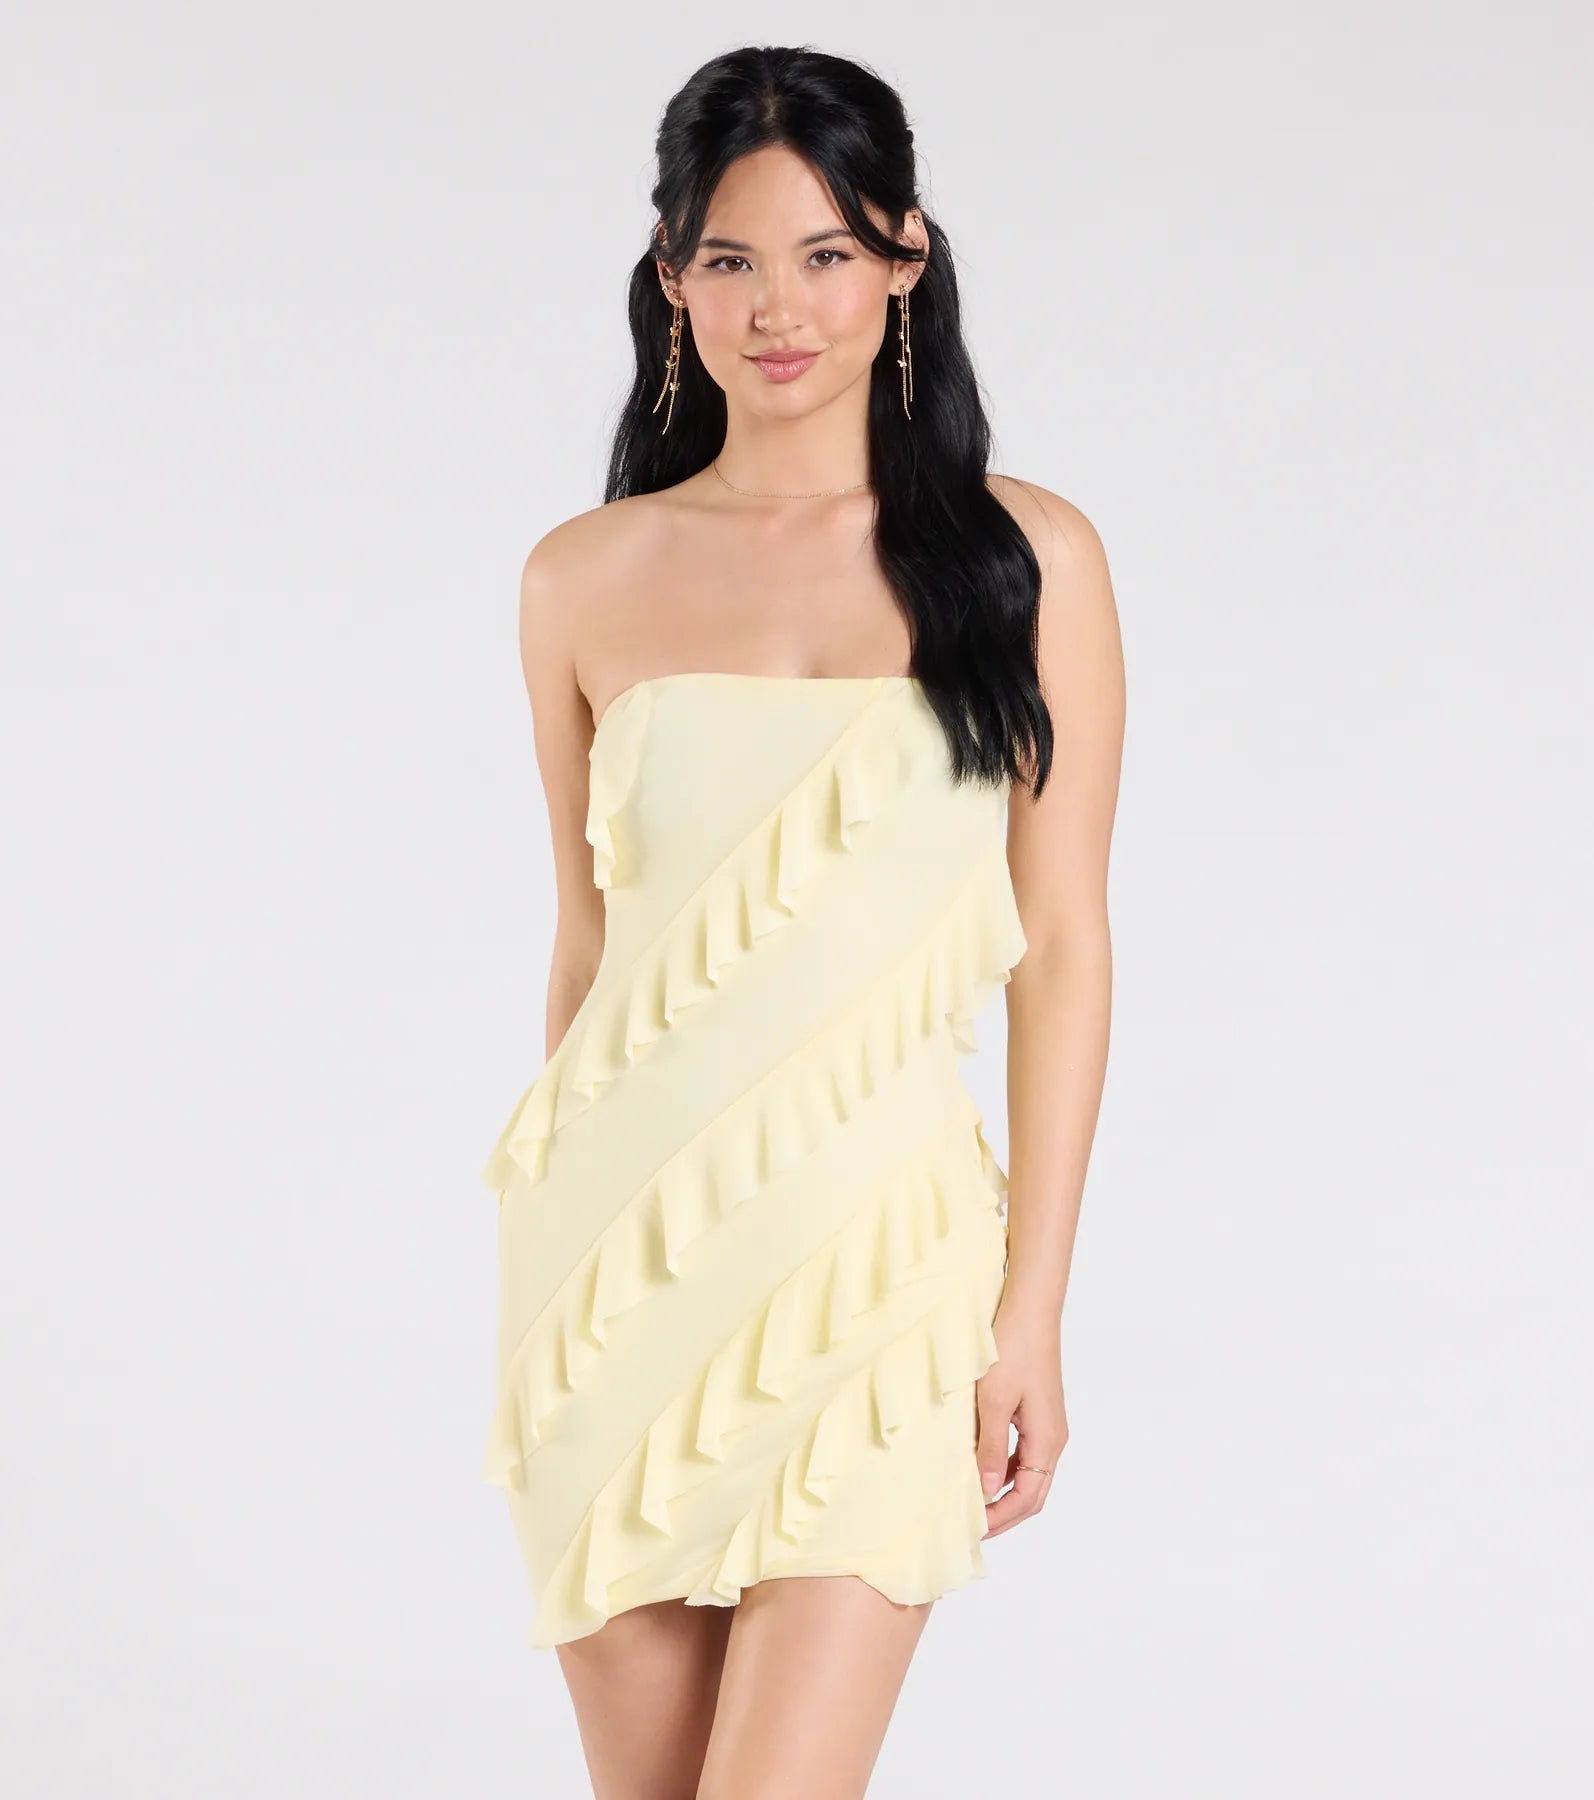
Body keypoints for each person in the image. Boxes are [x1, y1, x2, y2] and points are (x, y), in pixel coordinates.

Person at [480, 44, 1125, 1800]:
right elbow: (588, 946)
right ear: (671, 277)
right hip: (617, 1274)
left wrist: (1029, 1312)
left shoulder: (1027, 559)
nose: (778, 308)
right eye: (731, 259)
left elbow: (1065, 951)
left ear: (903, 259)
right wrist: (569, 1246)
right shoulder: (579, 574)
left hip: (880, 1271)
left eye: (825, 254)